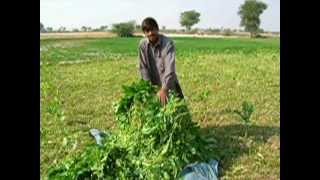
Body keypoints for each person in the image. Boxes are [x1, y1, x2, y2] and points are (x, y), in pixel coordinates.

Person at [138, 17, 184, 105]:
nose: (151, 33)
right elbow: (143, 68)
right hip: (152, 84)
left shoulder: (167, 43)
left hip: (168, 84)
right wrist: (149, 88)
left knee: (174, 110)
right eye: (147, 31)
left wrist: (164, 88)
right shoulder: (142, 45)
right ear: (144, 33)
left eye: (153, 30)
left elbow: (170, 68)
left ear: (157, 29)